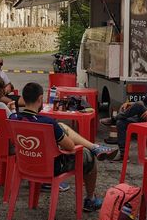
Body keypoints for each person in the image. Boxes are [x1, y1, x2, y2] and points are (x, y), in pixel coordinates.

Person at [10, 82, 114, 211]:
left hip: (25, 163)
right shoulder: (47, 123)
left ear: (23, 99)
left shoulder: (13, 118)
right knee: (88, 156)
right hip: (50, 167)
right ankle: (90, 199)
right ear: (40, 99)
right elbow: (70, 147)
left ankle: (95, 147)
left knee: (61, 127)